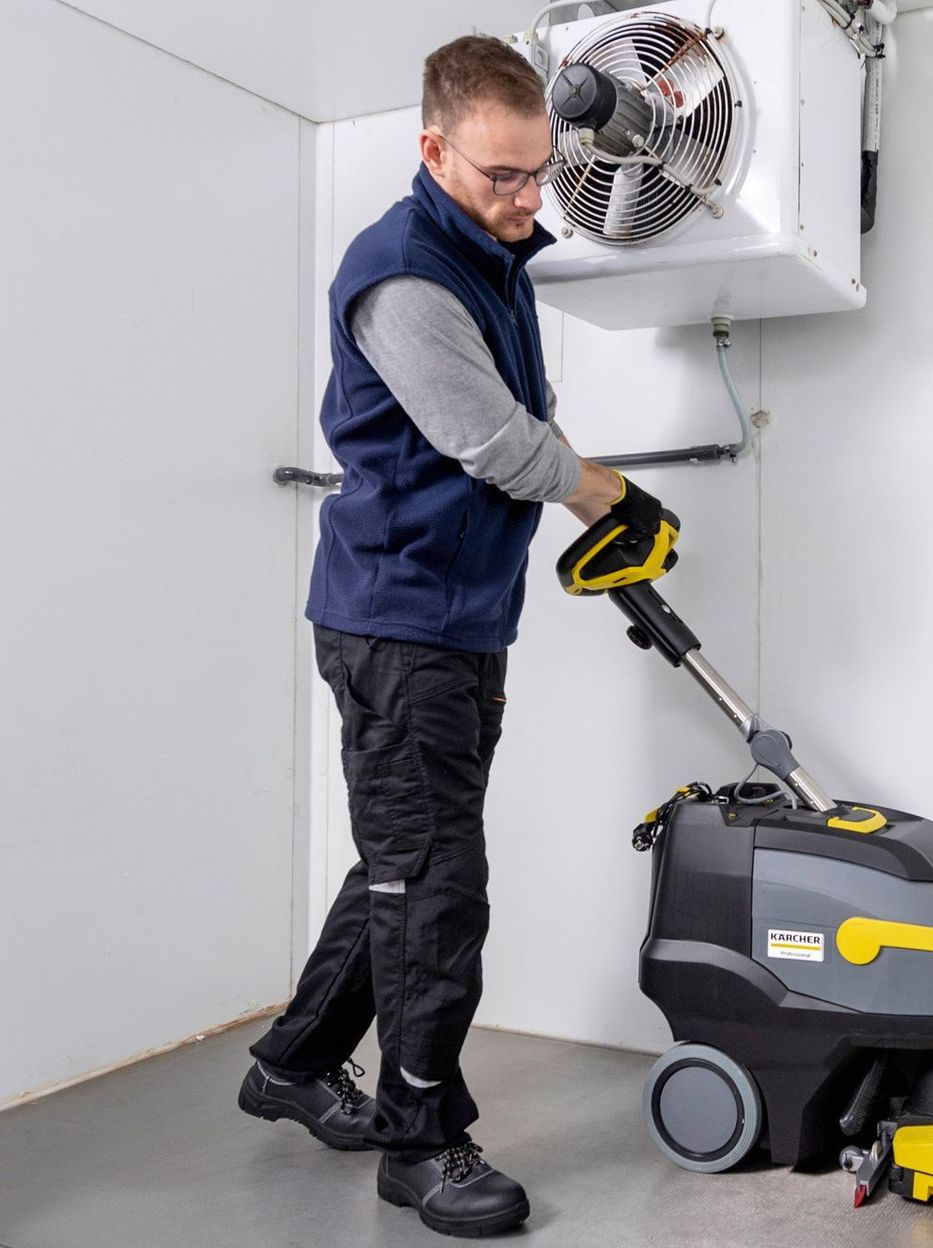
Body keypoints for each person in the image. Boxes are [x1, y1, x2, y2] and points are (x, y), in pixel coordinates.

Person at [236, 35, 664, 1238]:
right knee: (436, 886)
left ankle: (291, 1065)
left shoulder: (494, 245)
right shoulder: (406, 275)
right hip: (398, 621)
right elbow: (498, 443)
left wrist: (585, 493)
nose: (529, 200)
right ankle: (420, 1144)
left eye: (539, 172)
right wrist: (609, 496)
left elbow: (526, 410)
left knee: (404, 862)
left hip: (460, 617)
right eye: (500, 176)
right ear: (432, 148)